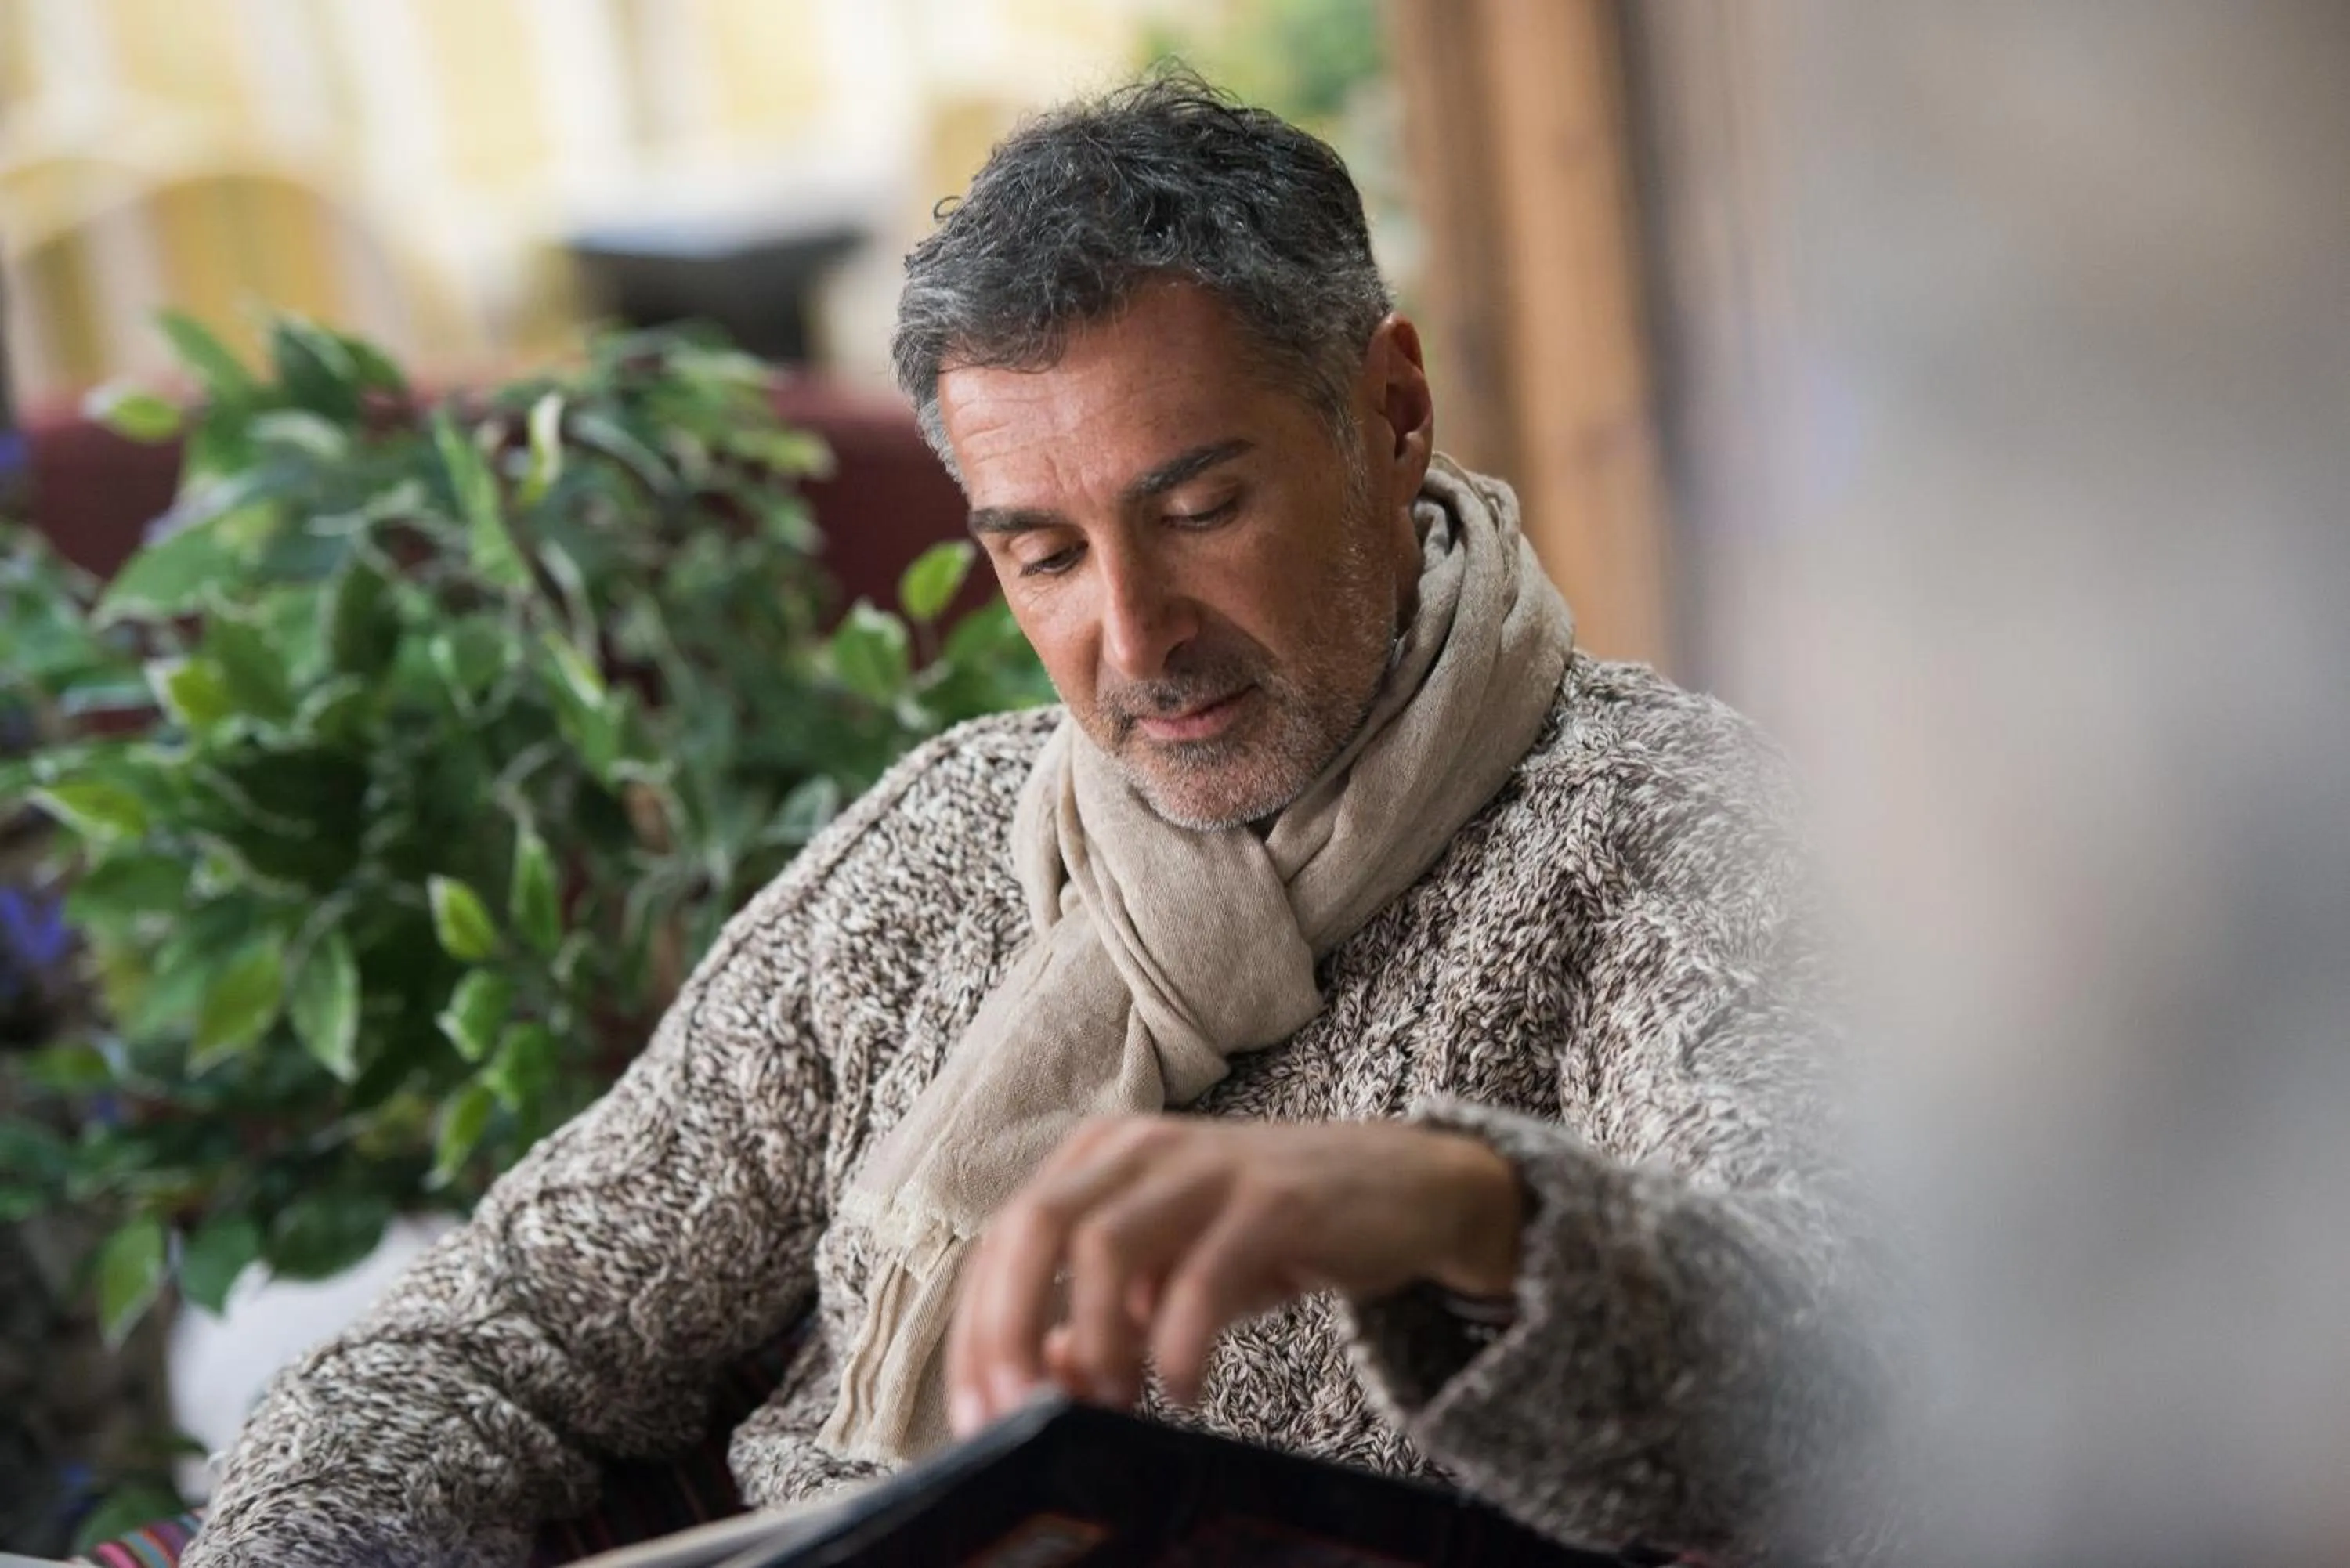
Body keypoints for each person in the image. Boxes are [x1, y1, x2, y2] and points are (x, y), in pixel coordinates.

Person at [184, 77, 1874, 1568]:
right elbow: (495, 1332)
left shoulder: (1659, 838)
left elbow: (1853, 1376)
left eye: (1201, 508)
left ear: (1394, 411)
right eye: (1042, 554)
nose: (1133, 642)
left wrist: (1458, 1206)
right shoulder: (941, 845)